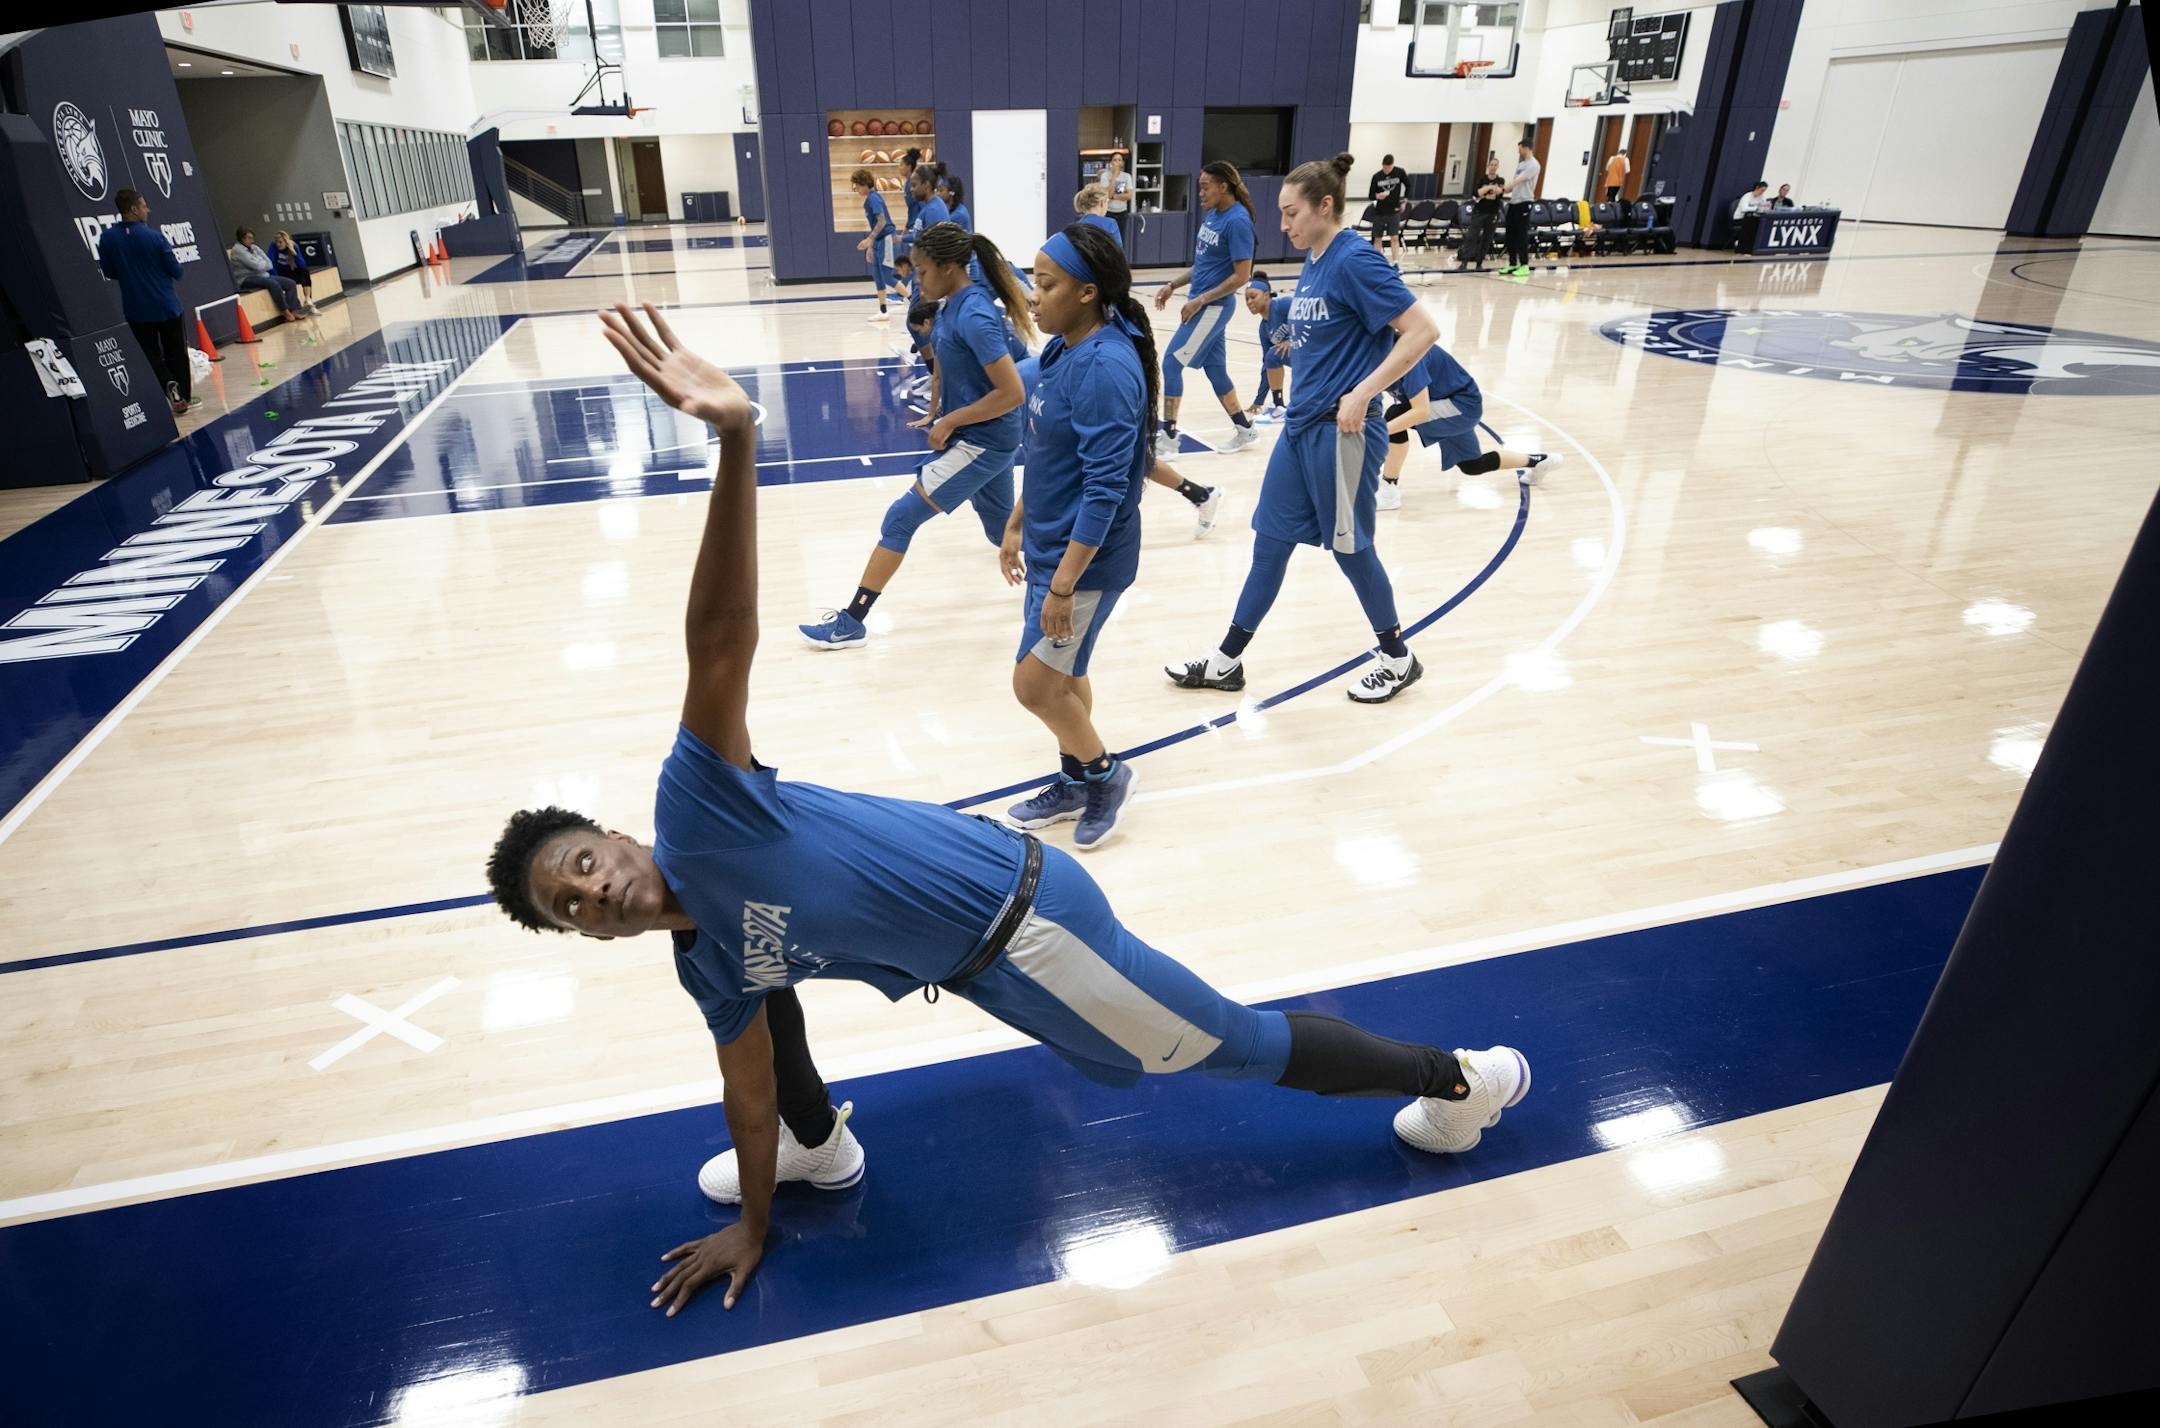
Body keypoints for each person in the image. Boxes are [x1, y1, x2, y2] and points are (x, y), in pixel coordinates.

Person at [488, 301, 1533, 1314]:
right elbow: (746, 1090)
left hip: (1028, 929)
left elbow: (720, 637)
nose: (595, 894)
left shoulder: (700, 809)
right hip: (987, 958)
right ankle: (824, 1151)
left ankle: (1462, 1081)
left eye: (582, 864)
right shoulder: (707, 962)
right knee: (767, 991)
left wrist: (736, 438)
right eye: (569, 909)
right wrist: (754, 1227)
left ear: (615, 835)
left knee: (1226, 1047)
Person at [1166, 152, 1439, 705]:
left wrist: (1363, 393)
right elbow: (1324, 308)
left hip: (1344, 434)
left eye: (1292, 213)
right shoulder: (1317, 259)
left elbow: (1422, 330)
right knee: (1268, 545)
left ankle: (1397, 657)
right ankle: (1226, 663)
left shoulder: (1356, 259)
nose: (1283, 224)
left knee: (1351, 550)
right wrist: (1279, 305)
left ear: (1326, 206)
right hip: (1299, 432)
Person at [798, 222, 1036, 650]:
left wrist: (950, 421)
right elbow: (945, 360)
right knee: (1001, 531)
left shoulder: (976, 314)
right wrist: (936, 408)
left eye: (923, 272)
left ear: (949, 268)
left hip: (983, 441)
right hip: (984, 436)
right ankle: (1068, 579)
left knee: (900, 518)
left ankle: (852, 621)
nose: (915, 280)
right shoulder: (950, 306)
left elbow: (1012, 391)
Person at [995, 222, 1152, 848]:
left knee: (1033, 684)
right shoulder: (1063, 350)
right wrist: (1015, 521)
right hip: (1050, 549)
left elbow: (1106, 490)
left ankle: (1106, 776)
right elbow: (1050, 451)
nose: (1034, 295)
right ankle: (1076, 777)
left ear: (1087, 292)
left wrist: (1063, 585)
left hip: (1083, 562)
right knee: (1066, 673)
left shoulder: (1106, 367)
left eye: (1047, 283)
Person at [1151, 159, 1259, 456]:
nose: (1200, 193)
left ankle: (1170, 439)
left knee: (1172, 363)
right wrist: (1173, 285)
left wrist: (1200, 300)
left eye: (1204, 187)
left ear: (1223, 186)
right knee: (1216, 371)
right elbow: (1203, 265)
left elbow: (1241, 276)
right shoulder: (1213, 215)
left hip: (1212, 308)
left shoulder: (1237, 221)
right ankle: (1245, 429)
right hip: (1203, 305)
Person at [1378, 339, 1558, 512]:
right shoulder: (1375, 353)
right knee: (1472, 465)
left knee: (1396, 416)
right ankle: (1540, 461)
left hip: (1460, 406)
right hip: (1444, 402)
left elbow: (1420, 411)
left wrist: (1376, 434)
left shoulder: (1407, 352)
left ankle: (1389, 488)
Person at [95, 187, 192, 418]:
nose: (147, 209)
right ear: (133, 209)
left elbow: (109, 271)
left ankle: (168, 383)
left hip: (136, 308)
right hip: (166, 305)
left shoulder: (107, 238)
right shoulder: (154, 236)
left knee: (150, 354)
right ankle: (184, 397)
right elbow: (176, 271)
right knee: (176, 352)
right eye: (144, 205)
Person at [851, 168, 905, 324]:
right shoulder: (869, 199)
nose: (856, 189)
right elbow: (875, 224)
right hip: (879, 241)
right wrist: (871, 246)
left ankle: (915, 302)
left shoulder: (874, 198)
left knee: (887, 276)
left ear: (865, 184)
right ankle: (883, 312)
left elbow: (882, 222)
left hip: (887, 238)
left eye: (858, 186)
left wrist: (869, 240)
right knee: (877, 275)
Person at [228, 227, 307, 319]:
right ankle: (285, 311)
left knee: (290, 283)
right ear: (242, 238)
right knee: (273, 284)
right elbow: (256, 266)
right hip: (246, 278)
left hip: (263, 275)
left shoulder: (255, 248)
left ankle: (295, 310)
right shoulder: (238, 250)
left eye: (252, 238)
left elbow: (269, 263)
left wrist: (260, 265)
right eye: (249, 238)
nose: (252, 241)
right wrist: (261, 264)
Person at [1241, 273, 1290, 422]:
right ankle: (1279, 406)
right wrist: (1259, 400)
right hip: (1302, 357)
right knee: (1272, 356)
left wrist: (1293, 339)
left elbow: (1310, 317)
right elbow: (1267, 366)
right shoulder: (1264, 329)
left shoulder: (1284, 305)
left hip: (1317, 347)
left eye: (1253, 296)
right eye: (1246, 299)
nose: (1249, 301)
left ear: (1267, 295)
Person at [1500, 139, 1540, 277]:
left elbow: (1520, 180)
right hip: (1514, 202)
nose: (1518, 151)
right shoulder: (1521, 164)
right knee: (1510, 234)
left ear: (1526, 148)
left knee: (1521, 234)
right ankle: (1512, 263)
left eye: (1520, 148)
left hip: (1525, 202)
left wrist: (1506, 186)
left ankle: (1524, 265)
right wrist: (1504, 191)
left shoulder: (1534, 165)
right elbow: (1514, 183)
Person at [1457, 162, 1504, 272]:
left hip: (1493, 213)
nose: (1493, 167)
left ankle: (1479, 262)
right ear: (1488, 166)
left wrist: (1489, 191)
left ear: (1497, 167)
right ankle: (1464, 262)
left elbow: (1499, 192)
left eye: (1495, 165)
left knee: (1487, 238)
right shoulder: (1481, 179)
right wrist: (1489, 187)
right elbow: (1477, 193)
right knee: (1472, 237)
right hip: (1480, 212)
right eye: (1491, 165)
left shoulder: (1501, 180)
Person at [1366, 154, 1408, 267]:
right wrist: (1377, 196)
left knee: (1394, 237)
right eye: (1384, 168)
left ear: (1392, 166)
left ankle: (1395, 262)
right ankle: (1376, 262)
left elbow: (1408, 185)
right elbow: (1370, 195)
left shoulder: (1400, 172)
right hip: (1380, 211)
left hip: (1394, 211)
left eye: (1388, 168)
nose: (1386, 170)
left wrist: (1404, 201)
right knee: (1377, 238)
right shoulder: (1377, 176)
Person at [268, 232, 320, 312]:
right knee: (294, 280)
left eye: (280, 242)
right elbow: (271, 264)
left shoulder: (294, 246)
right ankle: (307, 303)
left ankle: (308, 299)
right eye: (277, 242)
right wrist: (277, 277)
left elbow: (302, 265)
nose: (278, 244)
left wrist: (294, 253)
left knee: (305, 272)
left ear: (286, 242)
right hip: (279, 274)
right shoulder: (273, 246)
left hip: (289, 272)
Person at [1102, 150, 1135, 243]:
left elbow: (1129, 195)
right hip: (1108, 212)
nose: (1117, 162)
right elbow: (1106, 194)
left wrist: (1112, 197)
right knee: (1107, 240)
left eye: (1119, 160)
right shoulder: (1105, 176)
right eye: (1115, 160)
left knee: (1120, 240)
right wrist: (1114, 177)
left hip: (1122, 213)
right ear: (1111, 162)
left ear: (1122, 163)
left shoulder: (1127, 176)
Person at [1732, 180, 1770, 250]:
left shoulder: (1761, 197)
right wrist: (1757, 208)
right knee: (1751, 225)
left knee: (1759, 224)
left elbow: (1764, 206)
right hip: (1739, 219)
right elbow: (1744, 209)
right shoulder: (1747, 196)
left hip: (1752, 219)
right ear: (1757, 188)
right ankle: (1742, 247)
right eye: (1761, 190)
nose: (1762, 192)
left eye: (1764, 191)